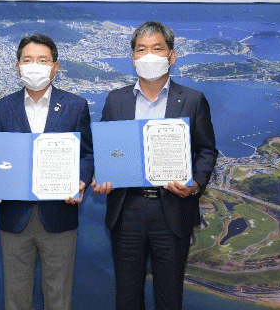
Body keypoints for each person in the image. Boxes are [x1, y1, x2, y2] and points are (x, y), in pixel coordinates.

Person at [93, 21, 217, 310]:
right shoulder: (116, 100)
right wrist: (103, 174)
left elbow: (207, 150)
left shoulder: (192, 100)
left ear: (172, 56)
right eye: (141, 49)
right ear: (133, 58)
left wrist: (195, 183)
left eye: (157, 48)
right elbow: (106, 151)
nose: (149, 55)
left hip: (172, 209)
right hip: (127, 210)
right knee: (127, 297)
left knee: (169, 298)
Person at [0, 34, 94, 310]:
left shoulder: (75, 105)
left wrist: (81, 179)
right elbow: (0, 156)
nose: (35, 66)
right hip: (14, 216)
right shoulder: (2, 108)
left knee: (58, 297)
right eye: (27, 60)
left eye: (42, 60)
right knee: (16, 298)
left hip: (59, 215)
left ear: (55, 67)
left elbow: (87, 154)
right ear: (17, 67)